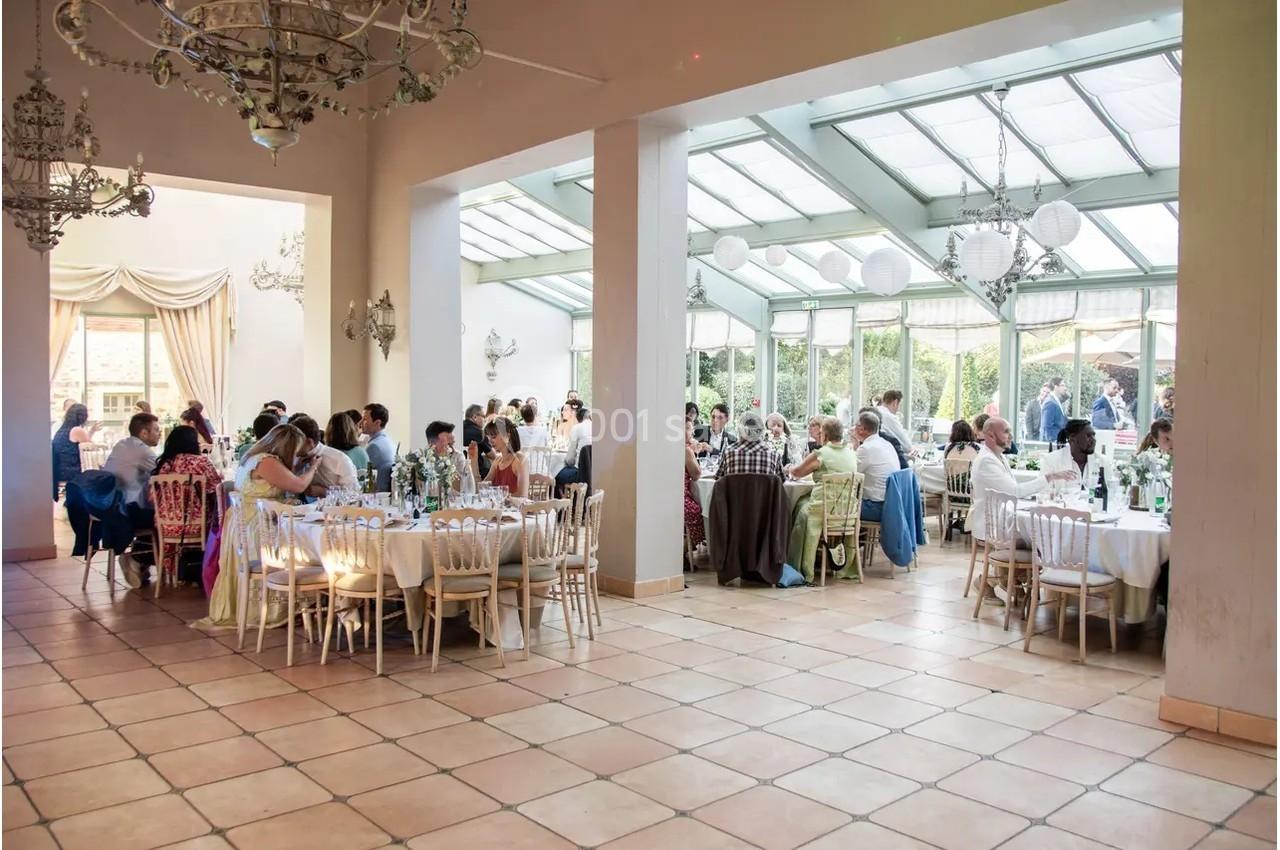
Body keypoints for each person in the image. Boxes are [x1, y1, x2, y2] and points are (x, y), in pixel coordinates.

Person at [199, 424, 316, 627]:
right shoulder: (266, 462)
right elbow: (298, 486)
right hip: (257, 524)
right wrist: (313, 467)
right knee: (302, 545)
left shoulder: (255, 457)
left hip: (245, 521)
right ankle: (302, 597)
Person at [968, 417, 1072, 542]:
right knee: (1046, 541)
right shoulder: (987, 461)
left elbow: (1012, 489)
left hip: (1001, 521)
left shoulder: (997, 456)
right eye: (1006, 432)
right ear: (990, 436)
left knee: (1048, 537)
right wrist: (1049, 477)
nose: (1011, 436)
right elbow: (1015, 492)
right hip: (994, 527)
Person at [787, 416, 860, 583]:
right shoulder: (851, 453)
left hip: (822, 511)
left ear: (825, 435)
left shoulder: (821, 454)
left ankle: (800, 566)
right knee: (803, 503)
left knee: (799, 509)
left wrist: (787, 468)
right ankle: (843, 567)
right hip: (847, 512)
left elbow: (797, 472)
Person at [103, 413, 162, 587]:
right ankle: (137, 559)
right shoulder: (140, 449)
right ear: (144, 433)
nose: (159, 433)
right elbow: (165, 470)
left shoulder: (121, 444)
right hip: (127, 511)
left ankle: (139, 562)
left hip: (111, 508)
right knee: (165, 520)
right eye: (156, 430)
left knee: (158, 516)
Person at [152, 425, 222, 550]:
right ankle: (211, 561)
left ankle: (171, 568)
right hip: (196, 525)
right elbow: (216, 491)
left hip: (165, 526)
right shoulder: (201, 462)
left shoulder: (164, 464)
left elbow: (153, 498)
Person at [850, 410, 900, 522]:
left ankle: (844, 539)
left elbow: (851, 474)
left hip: (876, 507)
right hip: (892, 504)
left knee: (833, 506)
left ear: (861, 429)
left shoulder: (866, 448)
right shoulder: (886, 444)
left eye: (856, 425)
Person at [290, 414, 356, 497]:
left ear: (309, 442)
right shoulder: (292, 458)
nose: (290, 445)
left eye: (294, 442)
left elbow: (354, 494)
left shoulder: (339, 459)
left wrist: (324, 492)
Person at [51, 403, 102, 500]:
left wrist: (91, 432)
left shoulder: (62, 430)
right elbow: (90, 447)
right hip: (71, 471)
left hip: (59, 470)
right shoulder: (77, 430)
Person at [1043, 418, 1114, 486]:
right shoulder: (1051, 460)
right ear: (1072, 438)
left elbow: (1109, 492)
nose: (1093, 440)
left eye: (1093, 435)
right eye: (1088, 436)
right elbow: (1044, 493)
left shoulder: (1103, 462)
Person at [469, 416, 527, 498]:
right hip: (499, 509)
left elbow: (522, 495)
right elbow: (480, 490)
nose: (490, 441)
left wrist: (496, 498)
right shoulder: (498, 460)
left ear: (507, 436)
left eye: (493, 437)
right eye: (488, 438)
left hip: (514, 510)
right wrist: (474, 461)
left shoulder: (519, 459)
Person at [715, 411, 783, 479]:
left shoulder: (728, 452)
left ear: (739, 431)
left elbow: (718, 479)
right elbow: (782, 481)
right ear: (760, 430)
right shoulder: (774, 455)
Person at [682, 420, 706, 564]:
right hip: (680, 499)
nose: (692, 433)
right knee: (701, 514)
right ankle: (678, 553)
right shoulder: (686, 450)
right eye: (690, 429)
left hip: (662, 497)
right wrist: (693, 454)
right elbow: (696, 474)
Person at [555, 404, 592, 493]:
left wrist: (567, 463)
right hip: (595, 472)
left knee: (556, 474)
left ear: (578, 419)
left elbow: (570, 459)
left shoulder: (576, 428)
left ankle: (562, 504)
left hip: (580, 473)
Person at [359, 403, 394, 491]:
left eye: (365, 419)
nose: (360, 423)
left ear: (377, 423)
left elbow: (359, 473)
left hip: (376, 493)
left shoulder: (374, 446)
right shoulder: (388, 440)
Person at [426, 420, 469, 491]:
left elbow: (461, 486)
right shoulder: (423, 459)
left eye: (451, 443)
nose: (449, 448)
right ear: (432, 443)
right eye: (446, 442)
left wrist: (447, 463)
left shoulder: (458, 456)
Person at [463, 404, 495, 478]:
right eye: (483, 416)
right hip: (476, 471)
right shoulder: (479, 432)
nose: (485, 419)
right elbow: (492, 455)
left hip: (459, 470)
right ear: (474, 417)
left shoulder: (459, 427)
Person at [1040, 377, 1069, 443]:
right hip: (1052, 443)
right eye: (1062, 385)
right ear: (1055, 387)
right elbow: (1047, 428)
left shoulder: (1057, 402)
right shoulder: (1050, 403)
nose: (1065, 388)